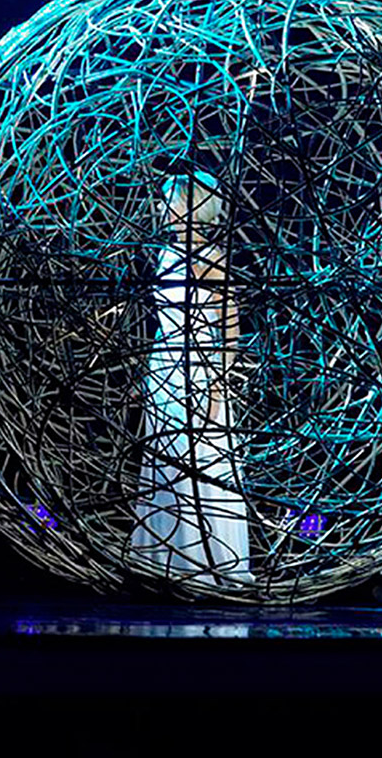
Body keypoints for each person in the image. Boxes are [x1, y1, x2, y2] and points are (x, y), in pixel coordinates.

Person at [130, 170, 253, 584]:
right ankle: (164, 561)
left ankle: (202, 564)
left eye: (171, 200)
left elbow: (231, 330)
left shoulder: (210, 260)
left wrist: (218, 384)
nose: (162, 207)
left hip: (197, 371)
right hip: (164, 370)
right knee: (165, 466)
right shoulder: (167, 254)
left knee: (196, 467)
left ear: (192, 205)